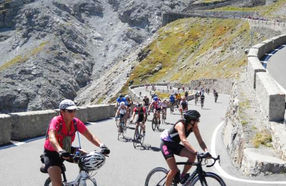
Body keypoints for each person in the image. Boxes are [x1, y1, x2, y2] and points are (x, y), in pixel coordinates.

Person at [41, 99, 110, 186]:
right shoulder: (56, 120)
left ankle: (82, 178)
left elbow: (90, 136)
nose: (73, 113)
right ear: (62, 111)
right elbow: (51, 137)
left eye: (74, 110)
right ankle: (49, 167)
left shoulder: (75, 122)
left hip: (67, 149)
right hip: (52, 153)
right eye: (70, 111)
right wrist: (60, 151)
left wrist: (102, 145)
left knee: (89, 157)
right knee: (58, 184)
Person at [160, 110, 210, 186]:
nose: (198, 122)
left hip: (175, 145)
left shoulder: (194, 127)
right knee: (174, 170)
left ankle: (182, 176)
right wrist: (196, 152)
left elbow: (200, 141)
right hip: (166, 145)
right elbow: (183, 140)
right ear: (191, 121)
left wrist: (206, 151)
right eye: (197, 120)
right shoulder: (180, 125)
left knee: (192, 156)